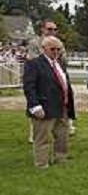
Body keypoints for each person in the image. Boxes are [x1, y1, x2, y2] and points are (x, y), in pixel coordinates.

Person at [23, 36, 76, 168]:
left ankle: (60, 160)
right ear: (43, 49)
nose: (56, 52)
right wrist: (35, 106)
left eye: (59, 49)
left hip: (62, 107)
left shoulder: (60, 64)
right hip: (44, 108)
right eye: (53, 49)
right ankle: (42, 164)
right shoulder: (33, 64)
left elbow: (65, 84)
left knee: (62, 137)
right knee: (43, 138)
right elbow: (29, 87)